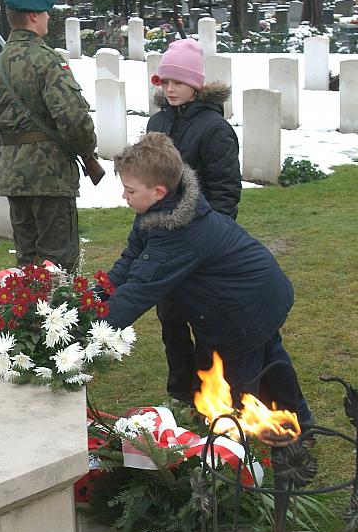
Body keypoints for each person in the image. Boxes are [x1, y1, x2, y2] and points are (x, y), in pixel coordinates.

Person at [102, 132, 313, 426]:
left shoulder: (178, 233)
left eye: (129, 190)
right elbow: (130, 261)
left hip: (243, 307)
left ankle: (242, 443)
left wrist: (95, 330)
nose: (124, 196)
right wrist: (93, 298)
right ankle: (300, 425)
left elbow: (140, 289)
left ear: (158, 191)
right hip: (253, 294)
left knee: (235, 387)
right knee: (269, 359)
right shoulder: (159, 212)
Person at [146, 38, 242, 406]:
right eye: (165, 81)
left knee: (205, 321)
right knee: (171, 321)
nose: (170, 89)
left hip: (202, 242)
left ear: (196, 84)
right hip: (164, 238)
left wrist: (212, 242)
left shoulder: (214, 128)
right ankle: (180, 392)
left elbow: (225, 191)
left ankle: (209, 396)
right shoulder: (157, 122)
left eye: (179, 82)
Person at [0, 0, 97, 272]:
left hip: (14, 178)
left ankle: (29, 303)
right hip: (50, 176)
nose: (48, 18)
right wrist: (86, 150)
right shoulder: (47, 60)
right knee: (58, 264)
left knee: (27, 263)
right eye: (45, 12)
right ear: (33, 16)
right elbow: (73, 118)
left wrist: (10, 163)